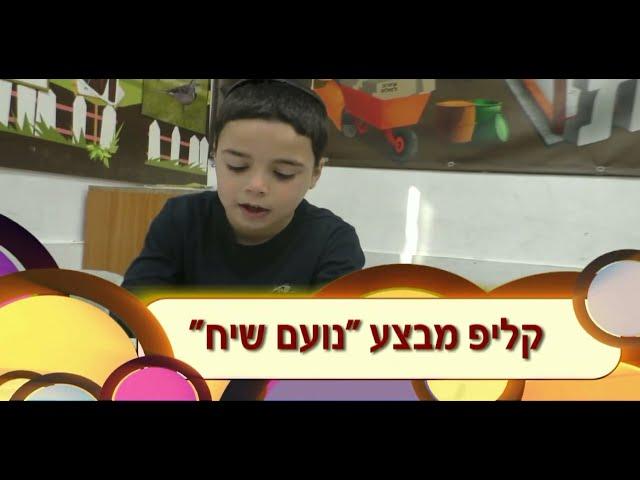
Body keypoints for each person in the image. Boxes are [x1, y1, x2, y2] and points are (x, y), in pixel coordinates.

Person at [122, 79, 365, 293]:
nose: (256, 186)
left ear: (315, 173)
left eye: (283, 173)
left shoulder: (333, 243)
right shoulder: (181, 219)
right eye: (237, 166)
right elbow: (131, 315)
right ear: (216, 155)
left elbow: (337, 328)